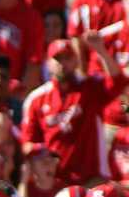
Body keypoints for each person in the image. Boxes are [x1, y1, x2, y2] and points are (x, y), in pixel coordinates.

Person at [22, 34, 127, 185]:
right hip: (54, 180)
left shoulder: (90, 88)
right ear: (48, 62)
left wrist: (101, 51)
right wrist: (44, 151)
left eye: (68, 58)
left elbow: (119, 83)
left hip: (91, 178)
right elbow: (27, 143)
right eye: (58, 59)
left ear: (76, 60)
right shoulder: (37, 99)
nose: (63, 64)